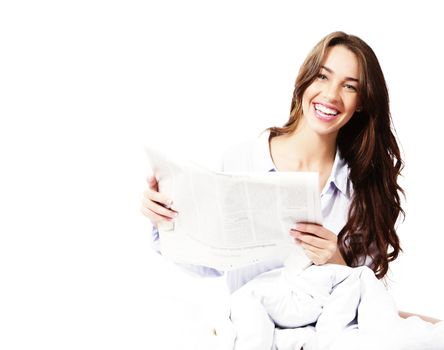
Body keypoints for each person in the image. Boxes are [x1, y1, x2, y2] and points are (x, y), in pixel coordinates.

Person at [141, 31, 441, 338]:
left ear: (361, 102)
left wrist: (334, 259)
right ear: (305, 81)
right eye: (322, 77)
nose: (331, 95)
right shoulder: (243, 159)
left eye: (349, 86)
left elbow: (365, 302)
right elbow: (208, 264)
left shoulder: (362, 187)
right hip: (255, 330)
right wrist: (166, 221)